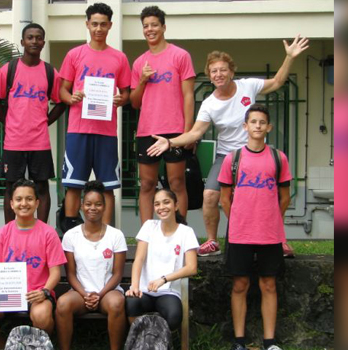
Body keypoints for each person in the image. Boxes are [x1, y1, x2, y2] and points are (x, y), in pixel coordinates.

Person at [146, 36, 309, 257]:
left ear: (232, 72)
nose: (218, 74)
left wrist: (289, 58)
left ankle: (277, 239)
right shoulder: (209, 104)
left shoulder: (248, 86)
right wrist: (170, 141)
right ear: (210, 76)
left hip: (255, 153)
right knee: (210, 195)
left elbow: (278, 82)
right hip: (227, 157)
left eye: (223, 70)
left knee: (267, 197)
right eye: (213, 71)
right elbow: (195, 133)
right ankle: (213, 241)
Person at [217, 104, 292, 350]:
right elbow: (225, 199)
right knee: (240, 284)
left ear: (268, 127)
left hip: (270, 234)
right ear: (245, 126)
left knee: (268, 284)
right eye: (253, 122)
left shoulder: (278, 158)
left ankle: (269, 343)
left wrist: (271, 219)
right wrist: (240, 218)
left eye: (262, 122)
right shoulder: (233, 159)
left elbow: (285, 198)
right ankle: (239, 342)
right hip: (240, 234)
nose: (258, 126)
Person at [58, 2, 131, 229]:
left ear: (110, 25)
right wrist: (72, 99)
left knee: (107, 185)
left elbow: (127, 92)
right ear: (87, 25)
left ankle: (107, 232)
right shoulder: (74, 54)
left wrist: (122, 99)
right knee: (74, 184)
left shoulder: (119, 58)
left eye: (103, 24)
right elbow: (62, 89)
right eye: (94, 24)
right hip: (78, 130)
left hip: (106, 132)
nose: (98, 28)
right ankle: (70, 231)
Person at [0, 179, 67, 349]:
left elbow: (55, 272)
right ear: (11, 204)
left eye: (29, 199)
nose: (24, 203)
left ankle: (41, 345)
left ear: (37, 203)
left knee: (42, 315)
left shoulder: (48, 233)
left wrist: (44, 291)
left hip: (36, 295)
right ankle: (2, 345)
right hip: (6, 295)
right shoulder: (3, 233)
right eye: (19, 199)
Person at [0, 23, 66, 224]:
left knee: (42, 187)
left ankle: (41, 230)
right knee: (11, 187)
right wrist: (7, 122)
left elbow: (61, 103)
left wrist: (45, 122)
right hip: (13, 141)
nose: (34, 41)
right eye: (30, 37)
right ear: (23, 42)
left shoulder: (50, 72)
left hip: (39, 142)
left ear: (43, 42)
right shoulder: (9, 69)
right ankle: (10, 232)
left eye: (38, 38)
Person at [129, 6, 196, 223]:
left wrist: (189, 133)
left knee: (176, 183)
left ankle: (181, 231)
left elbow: (188, 96)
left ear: (163, 27)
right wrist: (142, 80)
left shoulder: (180, 56)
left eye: (154, 25)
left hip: (175, 131)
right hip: (147, 130)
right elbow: (134, 102)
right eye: (146, 26)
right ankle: (147, 235)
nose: (150, 29)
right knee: (147, 184)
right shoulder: (140, 62)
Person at [55, 181, 128, 350]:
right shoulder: (71, 236)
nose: (92, 208)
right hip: (80, 293)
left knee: (117, 303)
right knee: (63, 304)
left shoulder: (115, 235)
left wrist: (99, 295)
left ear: (104, 206)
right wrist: (86, 294)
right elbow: (71, 274)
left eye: (98, 204)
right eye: (88, 204)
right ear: (81, 206)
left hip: (108, 291)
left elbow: (117, 274)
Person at [125, 188, 199, 331]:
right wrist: (134, 286)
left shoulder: (186, 232)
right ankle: (141, 341)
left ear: (176, 206)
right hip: (144, 291)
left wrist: (163, 279)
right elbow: (138, 260)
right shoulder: (149, 226)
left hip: (168, 292)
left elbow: (191, 267)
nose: (161, 208)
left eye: (166, 202)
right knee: (131, 304)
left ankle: (157, 343)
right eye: (157, 204)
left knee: (174, 317)